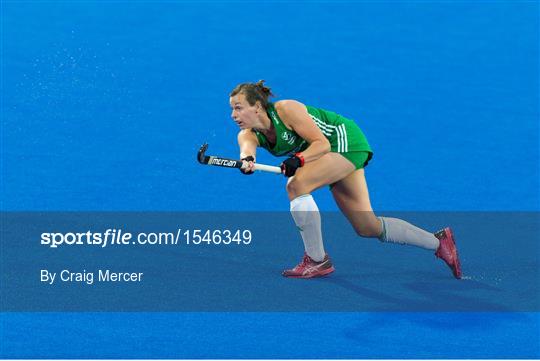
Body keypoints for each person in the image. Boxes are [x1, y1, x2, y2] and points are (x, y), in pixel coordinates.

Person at [230, 80, 462, 279]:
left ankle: (316, 260)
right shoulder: (248, 133)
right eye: (232, 109)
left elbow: (322, 144)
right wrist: (247, 160)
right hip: (324, 155)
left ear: (257, 106)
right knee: (367, 226)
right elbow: (247, 149)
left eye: (239, 108)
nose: (234, 115)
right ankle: (439, 242)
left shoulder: (286, 110)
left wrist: (298, 160)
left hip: (343, 141)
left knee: (297, 184)